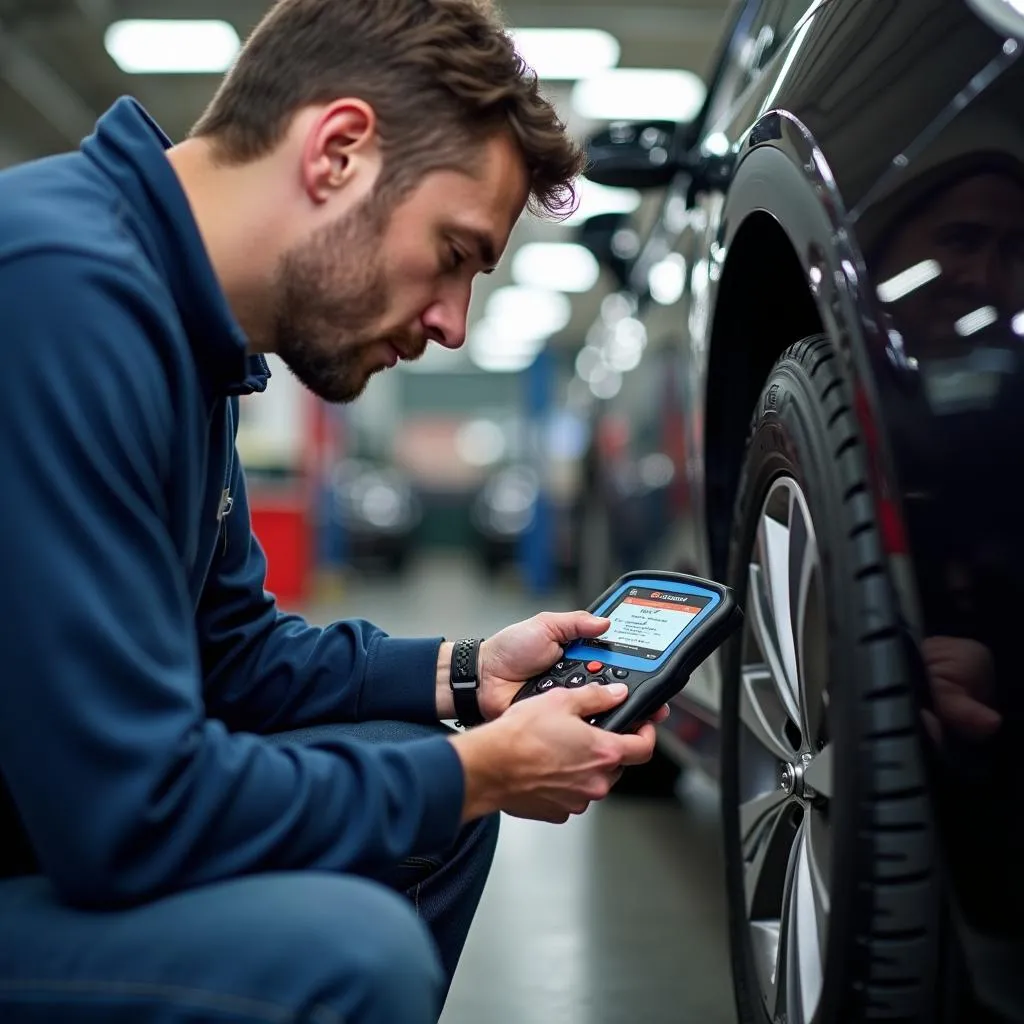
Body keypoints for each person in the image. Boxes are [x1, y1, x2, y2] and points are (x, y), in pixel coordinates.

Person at [0, 1, 666, 1021]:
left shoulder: (191, 334)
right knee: (355, 955)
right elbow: (125, 817)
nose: (452, 325)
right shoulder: (60, 296)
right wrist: (474, 771)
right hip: (67, 828)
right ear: (339, 153)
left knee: (427, 800)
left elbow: (232, 660)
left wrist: (460, 675)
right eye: (453, 254)